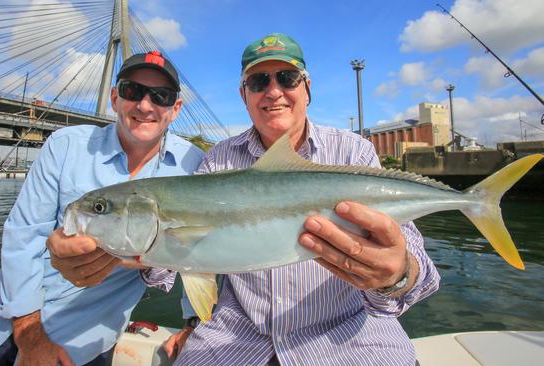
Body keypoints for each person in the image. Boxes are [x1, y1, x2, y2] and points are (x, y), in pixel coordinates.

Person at [163, 33, 440, 365]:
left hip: (351, 339)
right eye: (258, 81)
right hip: (235, 337)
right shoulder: (217, 161)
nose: (274, 91)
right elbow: (190, 251)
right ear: (244, 95)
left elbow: (416, 266)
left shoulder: (353, 151)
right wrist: (193, 320)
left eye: (287, 78)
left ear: (306, 88)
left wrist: (397, 273)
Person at [0, 50, 204, 366]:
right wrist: (30, 333)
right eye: (132, 91)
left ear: (175, 108)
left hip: (86, 340)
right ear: (114, 97)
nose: (145, 105)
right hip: (1, 322)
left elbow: (202, 246)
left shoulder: (193, 164)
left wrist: (194, 322)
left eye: (160, 96)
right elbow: (22, 237)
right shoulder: (65, 145)